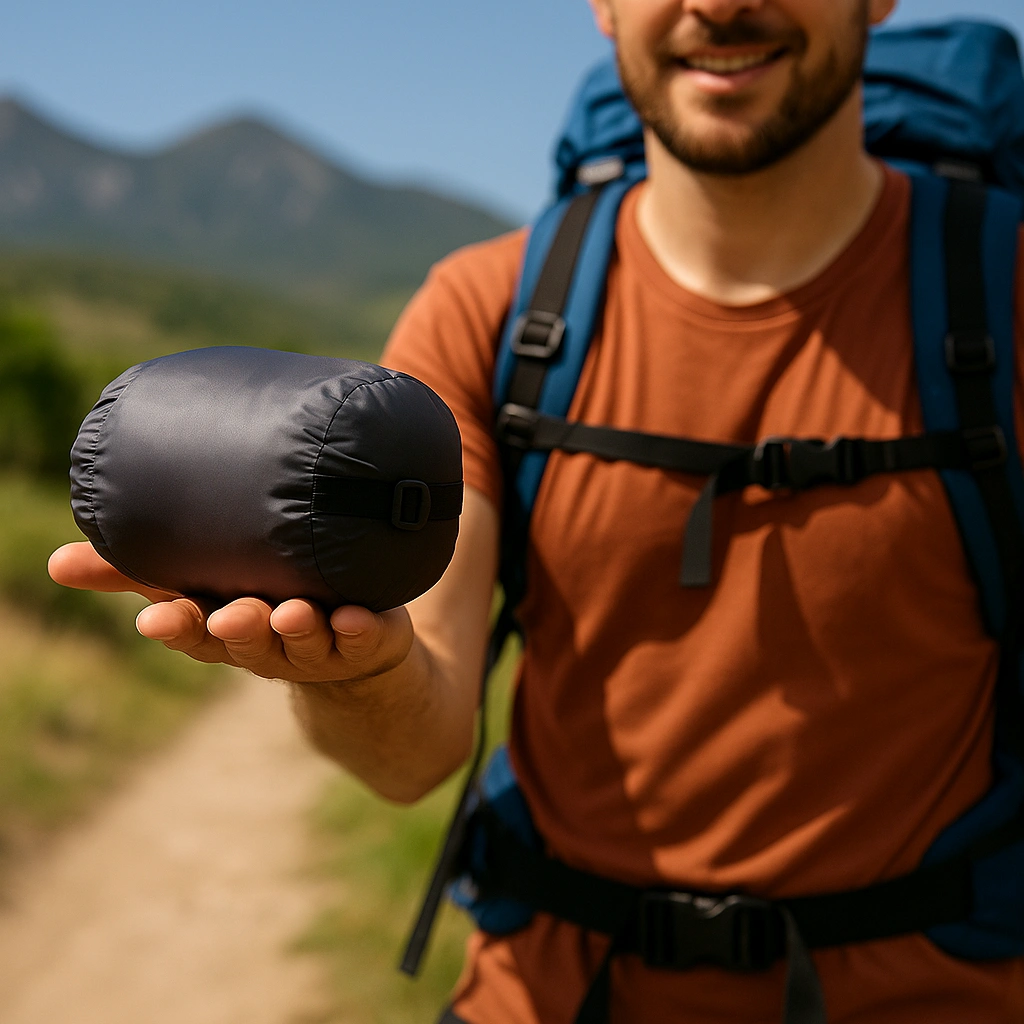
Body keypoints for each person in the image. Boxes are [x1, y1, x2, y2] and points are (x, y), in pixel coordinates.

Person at [49, 0, 1024, 1020]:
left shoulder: (1000, 292)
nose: (719, 6)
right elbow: (413, 755)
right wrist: (361, 674)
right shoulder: (494, 308)